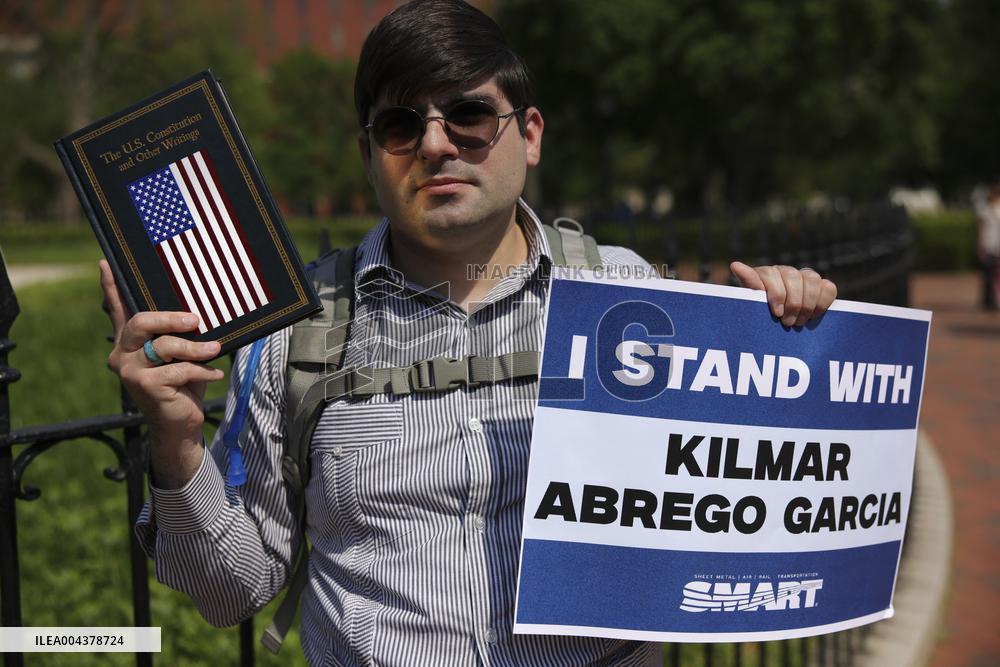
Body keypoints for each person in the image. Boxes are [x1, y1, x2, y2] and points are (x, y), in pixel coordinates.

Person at [99, 1, 838, 665]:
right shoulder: (293, 334)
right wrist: (177, 444)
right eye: (399, 125)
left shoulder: (629, 294)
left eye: (469, 116)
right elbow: (232, 591)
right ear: (368, 157)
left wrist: (788, 331)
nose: (436, 144)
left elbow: (751, 497)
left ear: (531, 134)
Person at [973, 182, 1000, 310]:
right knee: (988, 274)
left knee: (995, 275)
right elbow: (981, 229)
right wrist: (981, 245)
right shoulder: (986, 210)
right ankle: (987, 300)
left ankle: (993, 299)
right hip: (988, 244)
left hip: (997, 245)